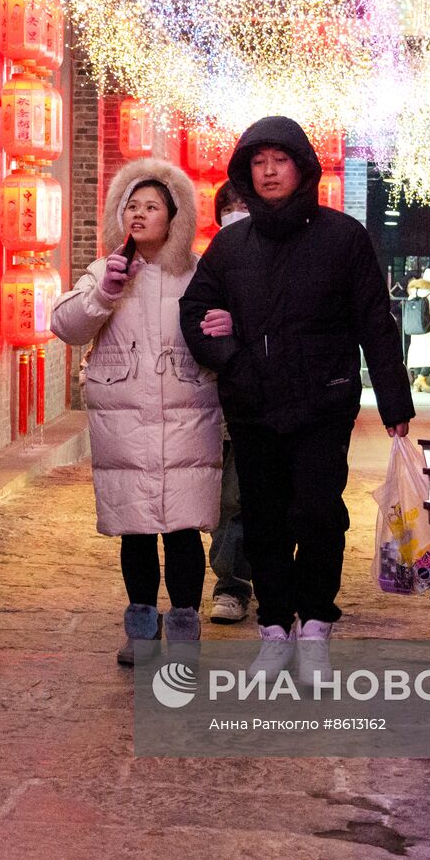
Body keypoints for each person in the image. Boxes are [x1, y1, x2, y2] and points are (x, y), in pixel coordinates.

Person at [179, 116, 415, 684]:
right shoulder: (231, 246)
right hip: (253, 404)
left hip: (321, 403)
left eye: (279, 161)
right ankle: (275, 626)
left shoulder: (343, 238)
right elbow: (193, 313)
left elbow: (374, 323)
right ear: (246, 174)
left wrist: (395, 404)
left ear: (302, 168)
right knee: (262, 519)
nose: (268, 171)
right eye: (258, 163)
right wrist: (232, 354)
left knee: (316, 512)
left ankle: (315, 622)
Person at [52, 158, 222, 666]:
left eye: (152, 206)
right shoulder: (105, 271)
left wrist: (223, 322)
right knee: (137, 529)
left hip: (187, 415)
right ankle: (142, 629)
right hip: (125, 422)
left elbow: (222, 325)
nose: (140, 214)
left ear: (176, 218)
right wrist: (105, 293)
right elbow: (66, 325)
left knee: (185, 529)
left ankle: (187, 627)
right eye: (132, 205)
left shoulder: (199, 274)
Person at [206, 180, 253, 624]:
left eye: (244, 205)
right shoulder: (209, 263)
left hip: (280, 399)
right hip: (224, 399)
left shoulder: (286, 259)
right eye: (228, 206)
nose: (236, 212)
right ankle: (232, 584)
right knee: (231, 496)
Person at [404, 268, 430, 393]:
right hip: (429, 330)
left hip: (415, 329)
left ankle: (417, 382)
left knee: (417, 354)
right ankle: (421, 378)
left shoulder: (413, 293)